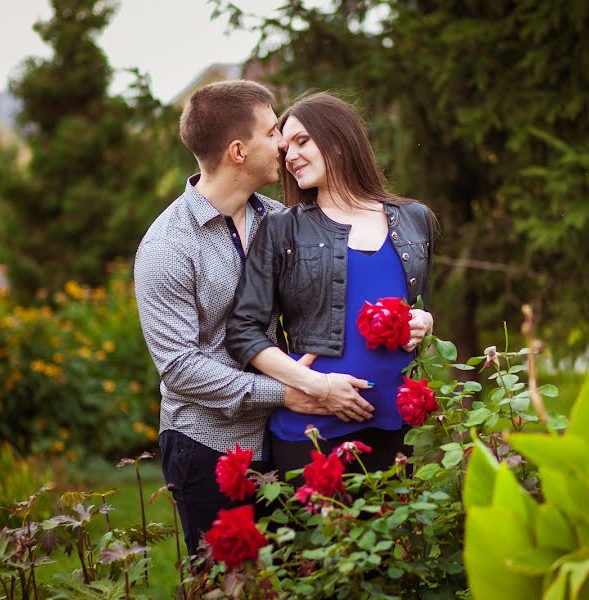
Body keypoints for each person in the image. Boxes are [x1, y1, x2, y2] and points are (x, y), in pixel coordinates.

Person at [134, 81, 343, 556]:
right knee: (225, 583)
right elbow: (180, 367)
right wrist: (287, 391)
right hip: (206, 446)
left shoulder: (279, 219)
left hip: (284, 435)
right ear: (237, 150)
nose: (284, 143)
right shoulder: (167, 246)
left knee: (297, 578)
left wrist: (416, 318)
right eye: (273, 132)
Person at [226, 92, 435, 475]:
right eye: (286, 148)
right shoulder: (281, 228)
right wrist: (310, 383)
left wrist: (426, 321)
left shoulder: (414, 219)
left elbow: (419, 305)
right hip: (313, 433)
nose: (290, 156)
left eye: (303, 141)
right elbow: (242, 331)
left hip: (398, 427)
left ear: (339, 142)